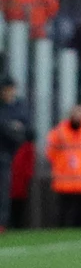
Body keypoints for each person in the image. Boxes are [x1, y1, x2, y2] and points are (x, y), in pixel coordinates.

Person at [0, 77, 28, 231]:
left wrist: (7, 127)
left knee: (4, 190)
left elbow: (26, 131)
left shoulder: (20, 107)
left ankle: (2, 222)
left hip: (6, 154)